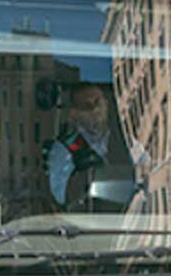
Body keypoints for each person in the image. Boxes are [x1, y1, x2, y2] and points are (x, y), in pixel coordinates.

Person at [44, 82, 138, 212]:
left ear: (106, 104)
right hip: (89, 223)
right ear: (74, 113)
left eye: (98, 102)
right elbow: (61, 197)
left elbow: (149, 169)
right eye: (87, 106)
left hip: (132, 219)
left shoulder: (126, 138)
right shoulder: (63, 148)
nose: (95, 110)